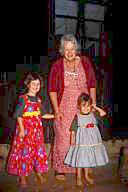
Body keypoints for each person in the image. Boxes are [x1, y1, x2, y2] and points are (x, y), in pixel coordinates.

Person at [48, 34, 96, 181]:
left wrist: (93, 104)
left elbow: (92, 84)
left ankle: (84, 165)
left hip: (84, 106)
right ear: (62, 50)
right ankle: (61, 167)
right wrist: (57, 111)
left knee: (84, 138)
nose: (69, 52)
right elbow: (52, 90)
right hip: (65, 106)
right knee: (64, 138)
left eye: (72, 49)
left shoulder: (85, 62)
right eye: (66, 49)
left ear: (76, 48)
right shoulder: (57, 65)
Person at [7, 72, 54, 188]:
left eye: (38, 84)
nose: (36, 86)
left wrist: (55, 116)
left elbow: (42, 115)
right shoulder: (23, 99)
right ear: (27, 84)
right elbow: (18, 115)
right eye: (33, 84)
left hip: (37, 133)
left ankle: (39, 173)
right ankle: (22, 177)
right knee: (24, 153)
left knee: (37, 152)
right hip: (26, 132)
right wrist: (22, 130)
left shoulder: (38, 100)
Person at [64, 93, 109, 186]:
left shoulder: (94, 114)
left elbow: (103, 113)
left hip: (91, 142)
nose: (86, 108)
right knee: (80, 160)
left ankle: (87, 176)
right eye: (83, 106)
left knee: (87, 160)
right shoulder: (77, 117)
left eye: (88, 106)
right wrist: (72, 140)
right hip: (81, 142)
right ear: (79, 106)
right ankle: (79, 178)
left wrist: (95, 107)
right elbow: (73, 130)